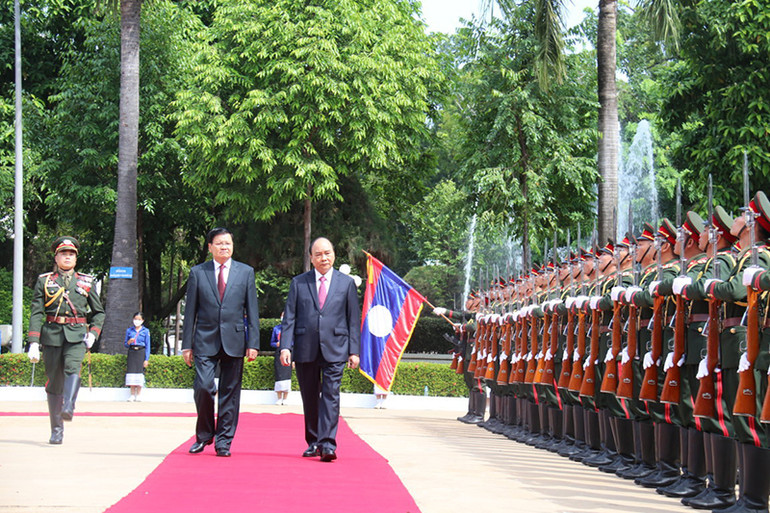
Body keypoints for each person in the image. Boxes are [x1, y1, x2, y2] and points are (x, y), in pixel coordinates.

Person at [280, 237, 361, 462]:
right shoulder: (299, 283)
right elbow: (290, 317)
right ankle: (313, 441)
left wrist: (354, 351)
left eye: (327, 253)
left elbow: (353, 319)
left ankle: (327, 444)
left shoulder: (346, 283)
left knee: (331, 395)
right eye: (318, 254)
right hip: (305, 347)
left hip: (336, 347)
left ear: (333, 254)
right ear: (311, 258)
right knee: (310, 397)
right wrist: (285, 346)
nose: (323, 258)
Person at [182, 227, 259, 457]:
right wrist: (186, 345)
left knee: (230, 393)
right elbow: (190, 311)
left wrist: (253, 343)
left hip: (235, 339)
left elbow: (252, 310)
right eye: (219, 243)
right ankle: (204, 435)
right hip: (204, 339)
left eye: (228, 243)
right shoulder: (198, 272)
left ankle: (224, 441)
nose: (224, 247)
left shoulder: (245, 272)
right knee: (204, 387)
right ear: (210, 247)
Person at [27, 236, 105, 444]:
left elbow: (98, 312)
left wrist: (93, 333)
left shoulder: (86, 282)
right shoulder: (45, 281)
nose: (67, 257)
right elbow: (37, 312)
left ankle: (69, 405)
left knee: (73, 368)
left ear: (76, 259)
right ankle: (56, 430)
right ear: (56, 257)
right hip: (52, 335)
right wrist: (33, 341)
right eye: (63, 254)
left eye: (71, 254)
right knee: (54, 383)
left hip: (76, 335)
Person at [124, 312, 151, 402]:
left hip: (141, 352)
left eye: (139, 319)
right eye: (135, 319)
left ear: (142, 320)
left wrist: (146, 359)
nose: (137, 321)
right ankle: (132, 394)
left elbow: (148, 346)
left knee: (139, 373)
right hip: (132, 352)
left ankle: (138, 394)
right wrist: (129, 342)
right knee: (131, 372)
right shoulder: (129, 330)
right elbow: (125, 344)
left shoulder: (145, 331)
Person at [271, 313, 292, 405]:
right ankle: (279, 398)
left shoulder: (291, 329)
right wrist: (276, 344)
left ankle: (286, 398)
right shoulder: (276, 328)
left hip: (289, 352)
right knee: (279, 375)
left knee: (287, 375)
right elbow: (272, 342)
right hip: (278, 353)